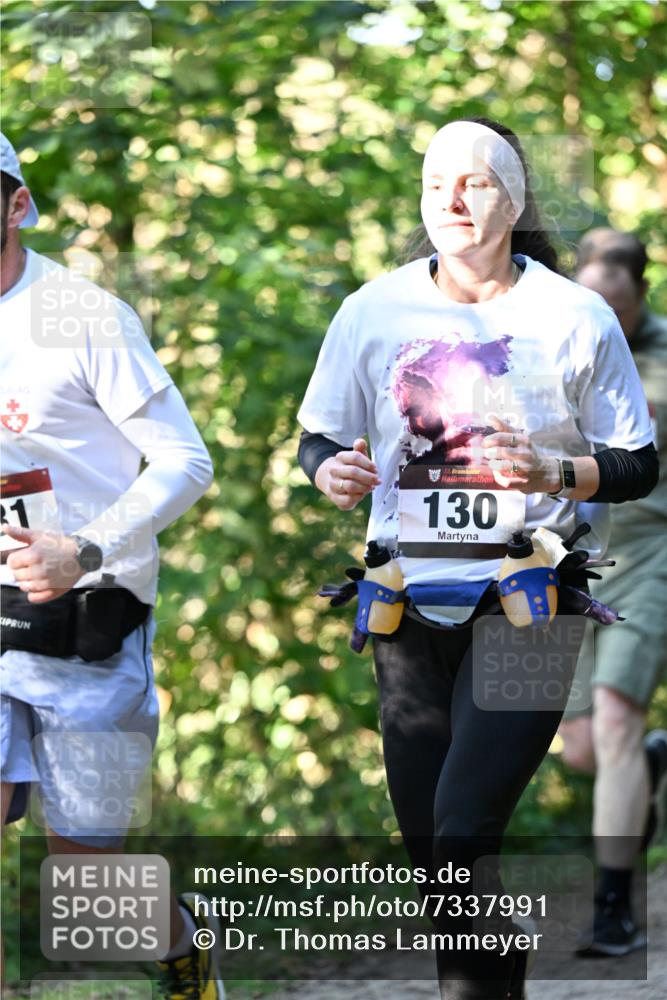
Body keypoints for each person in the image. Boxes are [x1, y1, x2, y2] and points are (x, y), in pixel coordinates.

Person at [297, 119, 658, 1000]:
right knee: (432, 851)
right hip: (403, 599)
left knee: (462, 830)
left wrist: (555, 470)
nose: (452, 199)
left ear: (515, 197)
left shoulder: (572, 315)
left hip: (528, 599)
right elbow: (316, 435)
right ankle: (498, 984)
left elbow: (636, 461)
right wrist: (328, 468)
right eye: (435, 184)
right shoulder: (370, 310)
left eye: (476, 181)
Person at [0, 132, 224, 998]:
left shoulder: (78, 313)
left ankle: (184, 954)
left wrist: (82, 548)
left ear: (17, 204)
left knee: (85, 879)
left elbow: (184, 460)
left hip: (85, 615)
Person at [558, 230, 667, 956]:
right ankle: (650, 766)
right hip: (562, 560)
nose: (605, 314)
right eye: (592, 298)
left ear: (639, 300)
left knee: (618, 720)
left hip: (648, 551)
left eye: (617, 303)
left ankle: (612, 910)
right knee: (581, 749)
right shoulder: (545, 341)